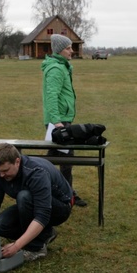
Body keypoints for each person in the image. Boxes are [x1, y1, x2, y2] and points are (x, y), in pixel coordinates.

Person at [0, 143, 73, 261]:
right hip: (33, 203)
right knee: (0, 225)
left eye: (6, 170)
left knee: (24, 197)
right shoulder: (0, 172)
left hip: (60, 208)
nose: (1, 175)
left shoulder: (36, 173)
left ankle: (36, 248)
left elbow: (43, 215)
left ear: (17, 162)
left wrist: (17, 245)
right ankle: (46, 233)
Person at [41, 34, 87, 207]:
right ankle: (65, 194)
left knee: (55, 158)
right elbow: (51, 96)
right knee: (64, 160)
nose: (72, 51)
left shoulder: (62, 67)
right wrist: (56, 122)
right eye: (68, 48)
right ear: (60, 50)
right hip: (59, 122)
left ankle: (61, 192)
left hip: (63, 120)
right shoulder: (56, 69)